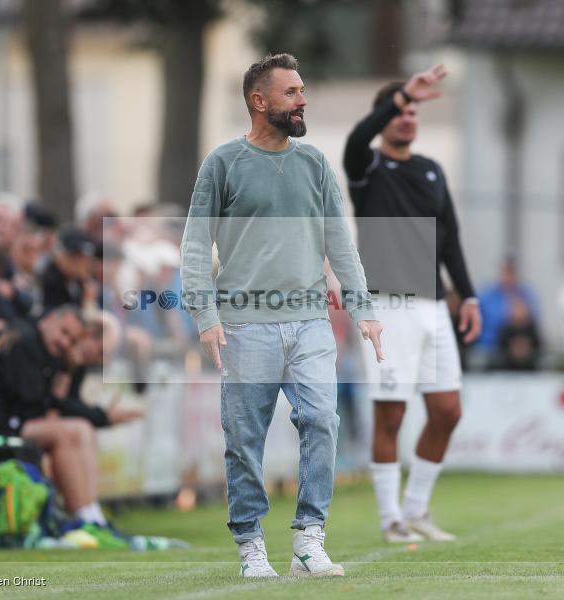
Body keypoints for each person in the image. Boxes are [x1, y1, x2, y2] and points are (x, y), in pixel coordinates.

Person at [181, 53, 381, 578]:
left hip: (311, 320)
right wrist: (205, 314)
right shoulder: (222, 164)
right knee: (244, 440)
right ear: (259, 101)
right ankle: (250, 544)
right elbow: (197, 245)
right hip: (244, 323)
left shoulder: (314, 163)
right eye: (291, 92)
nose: (302, 100)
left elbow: (340, 240)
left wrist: (363, 308)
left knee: (322, 420)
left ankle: (309, 538)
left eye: (302, 90)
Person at [343, 65, 482, 543]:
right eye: (400, 111)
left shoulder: (431, 169)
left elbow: (452, 239)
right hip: (387, 305)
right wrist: (402, 91)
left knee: (447, 412)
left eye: (413, 112)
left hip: (434, 305)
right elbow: (357, 138)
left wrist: (470, 296)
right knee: (392, 416)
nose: (408, 118)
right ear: (383, 117)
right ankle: (390, 519)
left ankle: (417, 510)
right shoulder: (366, 167)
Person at [0, 307, 134, 546]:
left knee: (80, 429)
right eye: (63, 333)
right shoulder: (25, 343)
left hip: (0, 422)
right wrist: (71, 381)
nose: (64, 342)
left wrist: (70, 376)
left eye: (71, 339)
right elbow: (37, 407)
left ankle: (91, 513)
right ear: (47, 322)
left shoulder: (45, 350)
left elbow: (56, 406)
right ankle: (81, 518)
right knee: (70, 431)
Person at [477, 257, 540, 356]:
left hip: (519, 352)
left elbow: (533, 321)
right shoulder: (487, 295)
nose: (509, 276)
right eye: (507, 271)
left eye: (512, 272)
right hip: (490, 349)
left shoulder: (526, 294)